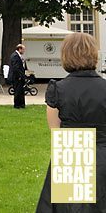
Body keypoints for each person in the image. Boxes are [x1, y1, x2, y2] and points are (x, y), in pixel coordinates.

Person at [36, 32, 106, 211]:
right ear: (94, 54)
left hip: (72, 148)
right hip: (103, 151)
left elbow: (55, 130)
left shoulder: (58, 89)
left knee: (72, 208)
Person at [10, 44, 26, 109]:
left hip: (20, 76)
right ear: (19, 49)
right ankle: (17, 104)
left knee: (21, 91)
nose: (24, 51)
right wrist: (19, 76)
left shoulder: (18, 56)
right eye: (23, 49)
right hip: (17, 77)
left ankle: (21, 104)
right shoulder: (15, 56)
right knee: (17, 91)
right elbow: (15, 67)